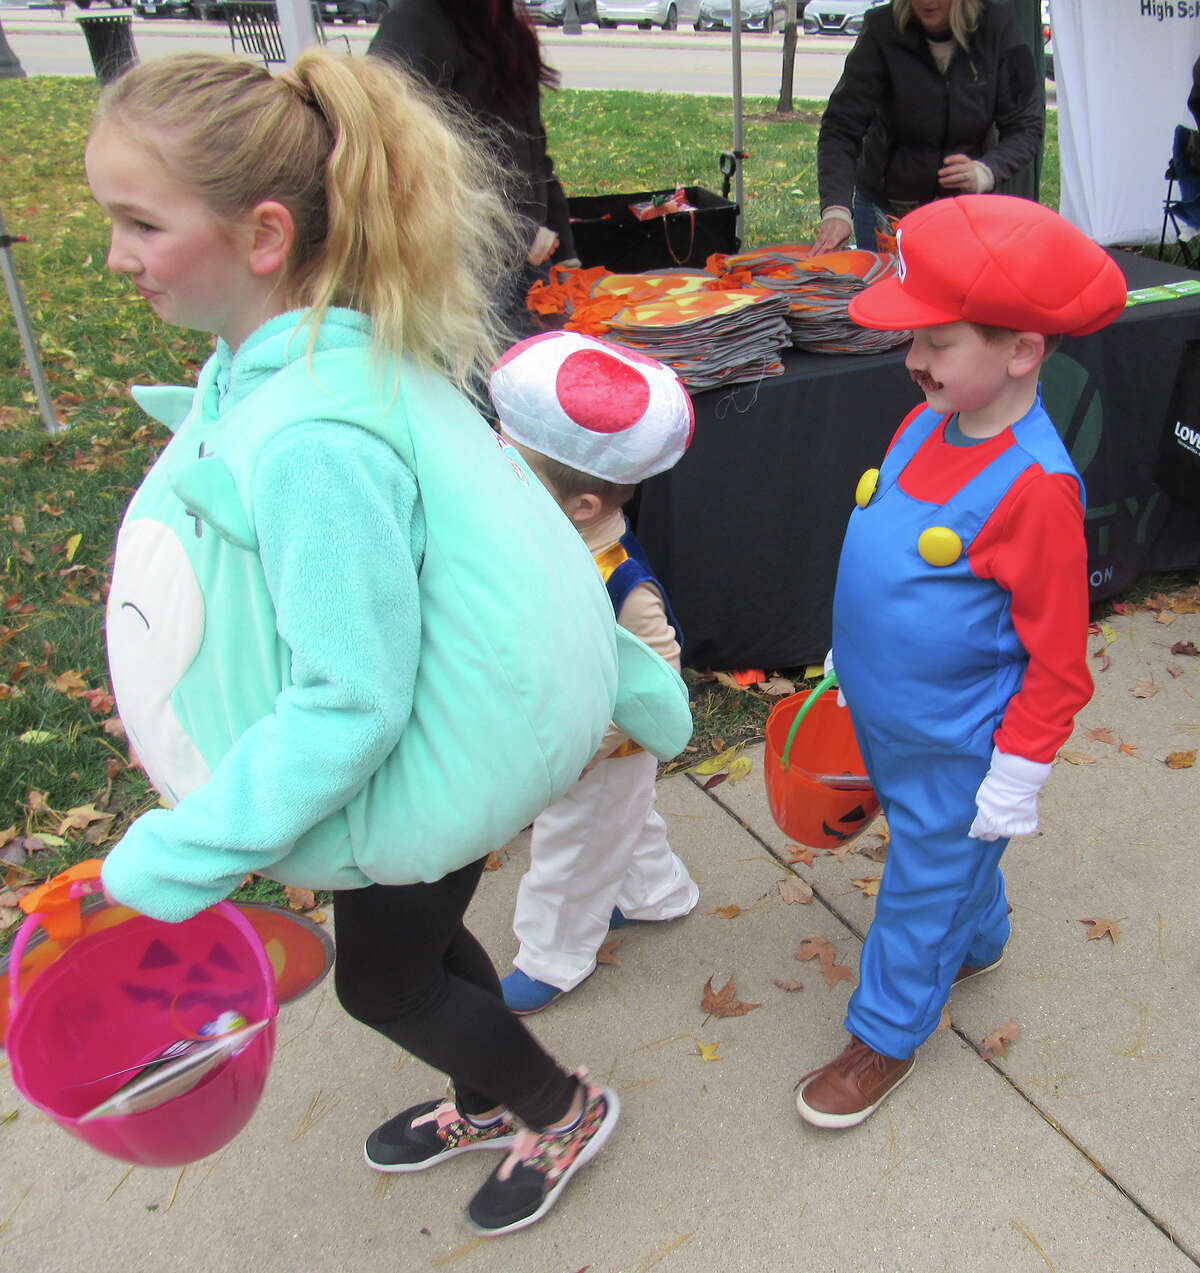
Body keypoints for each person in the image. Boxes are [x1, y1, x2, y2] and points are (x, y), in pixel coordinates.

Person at [85, 50, 693, 1236]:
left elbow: (350, 701)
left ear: (264, 235)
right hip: (433, 767)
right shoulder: (318, 356)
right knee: (406, 944)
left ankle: (557, 1107)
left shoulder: (315, 438)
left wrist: (188, 853)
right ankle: (487, 1091)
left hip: (419, 764)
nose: (116, 254)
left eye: (139, 223)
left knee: (381, 980)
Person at [796, 195, 1127, 1129]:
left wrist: (1016, 774)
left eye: (937, 341)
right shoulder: (924, 422)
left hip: (958, 743)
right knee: (946, 862)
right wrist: (848, 649)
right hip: (888, 716)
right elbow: (888, 551)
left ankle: (886, 1034)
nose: (913, 360)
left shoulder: (1035, 489)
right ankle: (980, 932)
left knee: (923, 879)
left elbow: (1059, 662)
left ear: (1022, 348)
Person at [487, 331, 701, 1015]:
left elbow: (658, 672)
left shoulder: (623, 583)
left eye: (511, 464)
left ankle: (552, 956)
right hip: (570, 732)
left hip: (600, 747)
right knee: (624, 824)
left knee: (569, 849)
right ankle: (656, 893)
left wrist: (585, 747)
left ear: (583, 505)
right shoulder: (554, 534)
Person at [368, 0, 578, 337]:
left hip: (528, 271)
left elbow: (533, 154)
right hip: (462, 283)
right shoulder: (416, 23)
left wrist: (566, 251)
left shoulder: (506, 31)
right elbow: (390, 162)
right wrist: (515, 235)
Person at [811, 0, 1043, 255]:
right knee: (883, 293)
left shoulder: (997, 28)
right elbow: (842, 126)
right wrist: (836, 210)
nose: (926, 2)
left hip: (964, 212)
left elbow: (1026, 125)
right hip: (886, 209)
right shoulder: (881, 29)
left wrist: (985, 171)